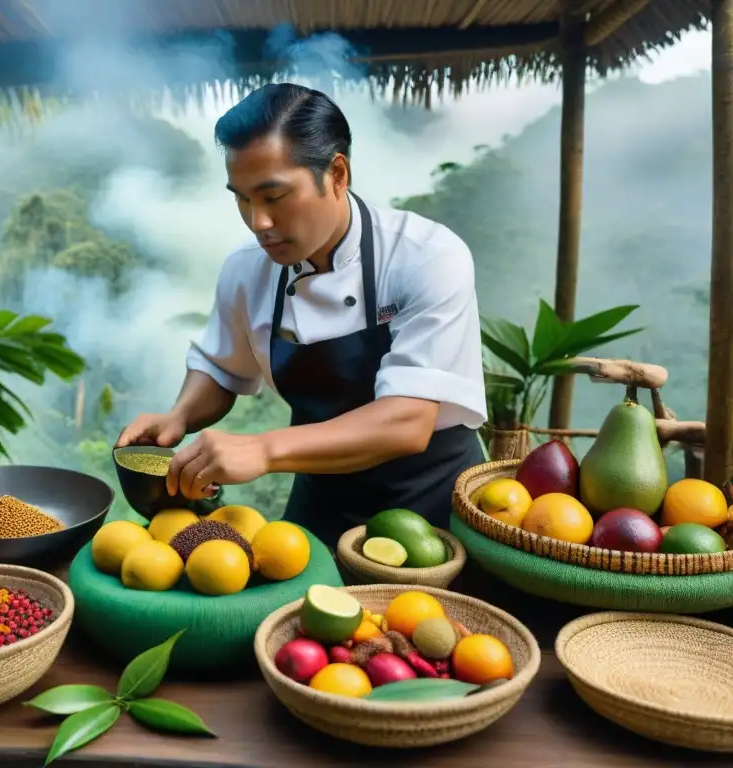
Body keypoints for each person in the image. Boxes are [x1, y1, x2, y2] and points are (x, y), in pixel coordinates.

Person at [117, 83, 487, 547]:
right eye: (242, 199)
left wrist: (263, 448)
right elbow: (221, 366)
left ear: (336, 173)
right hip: (322, 495)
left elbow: (407, 421)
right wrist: (180, 416)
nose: (259, 223)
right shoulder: (246, 269)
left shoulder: (427, 256)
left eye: (274, 197)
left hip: (432, 502)